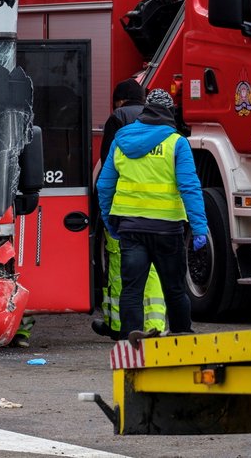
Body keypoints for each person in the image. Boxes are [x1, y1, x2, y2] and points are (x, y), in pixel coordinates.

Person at [97, 88, 208, 340]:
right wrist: (200, 228)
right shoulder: (176, 142)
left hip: (130, 229)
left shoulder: (121, 140)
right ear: (169, 112)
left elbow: (104, 185)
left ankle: (130, 339)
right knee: (175, 289)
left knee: (132, 289)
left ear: (146, 110)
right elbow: (189, 187)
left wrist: (110, 220)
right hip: (167, 230)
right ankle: (182, 336)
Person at [91, 80, 166, 340]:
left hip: (124, 208)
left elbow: (107, 166)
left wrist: (102, 206)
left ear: (120, 101)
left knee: (119, 265)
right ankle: (156, 322)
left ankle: (119, 324)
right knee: (154, 267)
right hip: (160, 211)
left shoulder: (118, 118)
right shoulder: (161, 120)